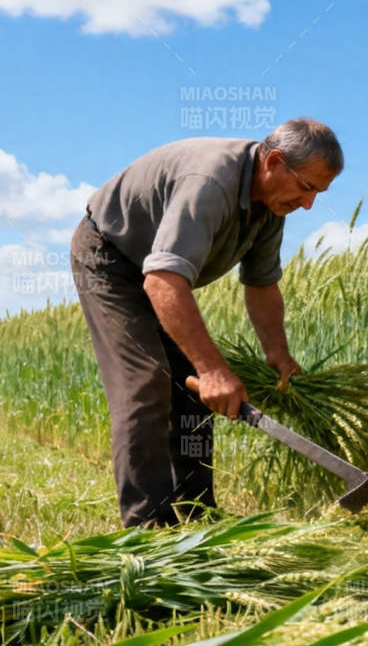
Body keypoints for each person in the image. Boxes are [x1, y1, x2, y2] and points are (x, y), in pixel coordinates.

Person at [71, 118, 342, 528]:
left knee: (189, 389)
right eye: (307, 188)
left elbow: (262, 284)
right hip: (111, 258)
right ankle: (149, 530)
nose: (309, 205)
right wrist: (213, 370)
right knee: (146, 383)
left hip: (156, 272)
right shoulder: (211, 182)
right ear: (272, 161)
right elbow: (163, 281)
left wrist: (278, 353)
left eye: (318, 194)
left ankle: (199, 513)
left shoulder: (271, 206)